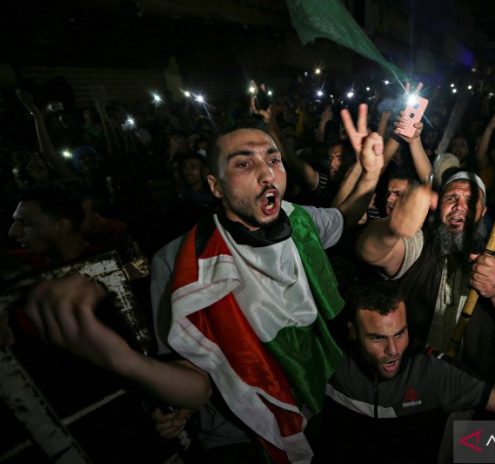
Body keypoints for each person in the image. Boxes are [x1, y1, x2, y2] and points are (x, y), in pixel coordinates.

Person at [18, 105, 384, 463]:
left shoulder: (299, 220)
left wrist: (370, 172)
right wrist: (119, 358)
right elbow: (196, 383)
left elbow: (344, 219)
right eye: (244, 163)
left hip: (319, 395)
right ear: (216, 186)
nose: (267, 174)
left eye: (274, 160)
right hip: (244, 427)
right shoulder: (181, 264)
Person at [314, 281, 495, 464]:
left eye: (400, 333)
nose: (393, 350)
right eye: (377, 337)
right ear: (353, 331)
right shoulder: (329, 360)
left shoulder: (431, 370)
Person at [356, 167, 495, 375]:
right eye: (451, 198)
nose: (460, 206)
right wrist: (391, 230)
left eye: (471, 199)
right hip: (410, 376)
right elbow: (370, 252)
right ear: (439, 205)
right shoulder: (420, 241)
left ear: (483, 212)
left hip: (470, 385)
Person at [8, 183, 94, 269]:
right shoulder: (22, 261)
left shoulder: (101, 262)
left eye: (25, 222)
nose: (12, 232)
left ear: (63, 226)